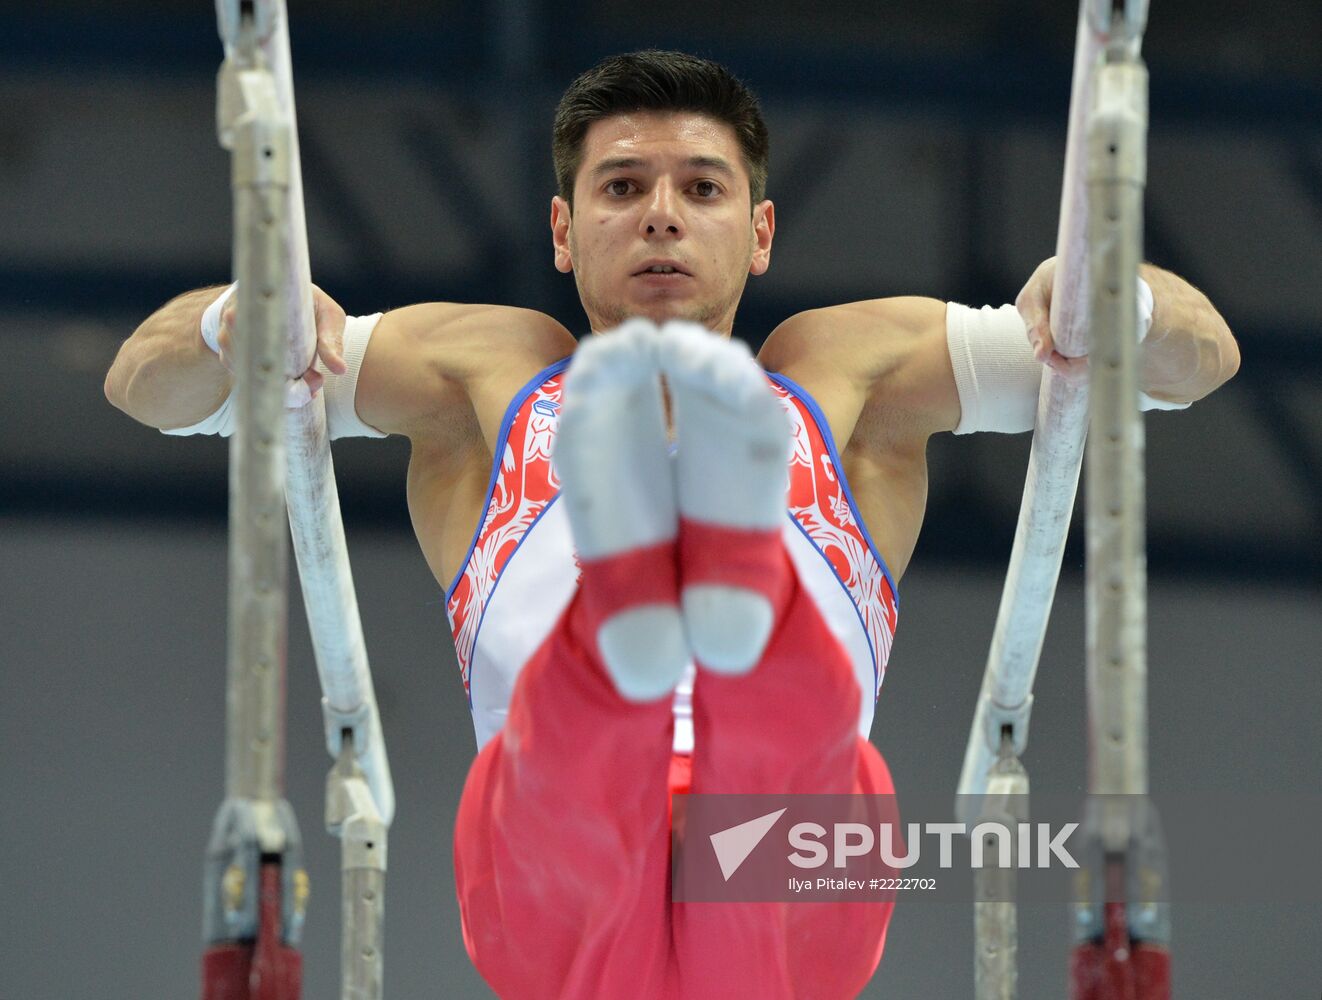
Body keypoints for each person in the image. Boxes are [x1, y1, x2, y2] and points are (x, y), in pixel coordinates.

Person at [105, 50, 1239, 998]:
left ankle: (652, 594)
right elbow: (145, 388)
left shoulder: (847, 370)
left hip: (739, 855)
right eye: (621, 187)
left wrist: (1110, 298)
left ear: (759, 231)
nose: (659, 213)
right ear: (562, 229)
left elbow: (1198, 360)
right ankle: (707, 587)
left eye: (701, 188)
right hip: (589, 854)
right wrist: (235, 320)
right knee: (689, 774)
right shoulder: (483, 370)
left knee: (759, 782)